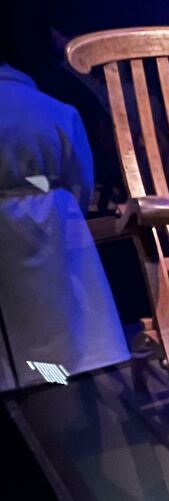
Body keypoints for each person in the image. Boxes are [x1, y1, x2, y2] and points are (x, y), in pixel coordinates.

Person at [0, 52, 129, 391]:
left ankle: (25, 397)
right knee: (61, 326)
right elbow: (79, 179)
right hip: (51, 222)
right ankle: (58, 386)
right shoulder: (53, 109)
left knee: (17, 336)